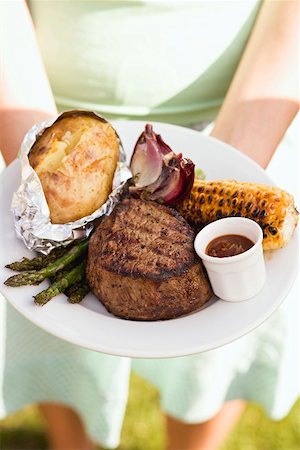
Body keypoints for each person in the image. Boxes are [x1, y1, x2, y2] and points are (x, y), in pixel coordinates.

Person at [0, 1, 299, 449]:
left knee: (210, 371)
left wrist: (229, 173)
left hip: (246, 131)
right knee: (61, 352)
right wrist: (46, 176)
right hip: (49, 128)